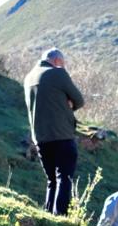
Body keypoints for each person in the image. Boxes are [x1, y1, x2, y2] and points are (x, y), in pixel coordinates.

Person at [24, 48, 84, 216]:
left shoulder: (28, 78)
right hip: (62, 135)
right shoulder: (58, 73)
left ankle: (49, 215)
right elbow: (79, 100)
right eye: (63, 64)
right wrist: (69, 104)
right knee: (64, 178)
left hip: (40, 138)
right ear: (57, 61)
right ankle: (61, 216)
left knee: (52, 180)